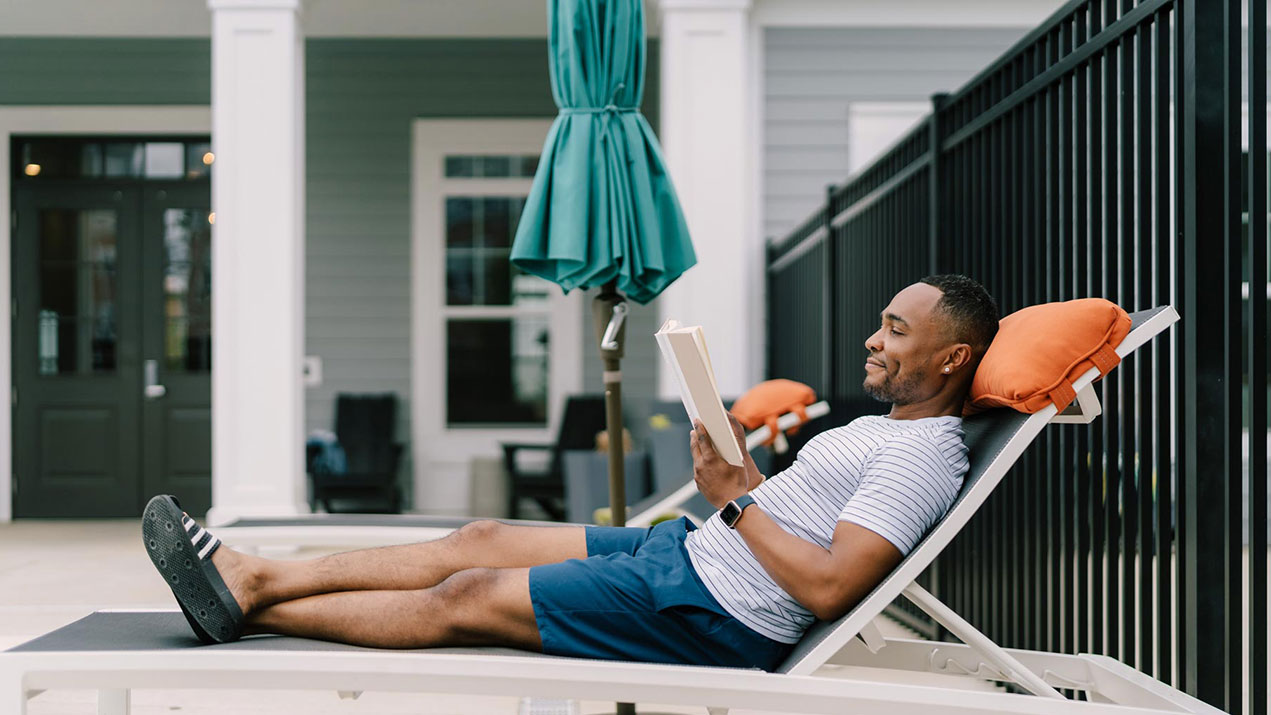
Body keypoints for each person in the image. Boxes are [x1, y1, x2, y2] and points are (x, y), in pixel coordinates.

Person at [142, 274, 999, 671]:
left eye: (894, 330)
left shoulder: (922, 455)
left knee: (469, 593)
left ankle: (255, 600)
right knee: (478, 536)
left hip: (714, 613)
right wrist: (743, 477)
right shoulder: (887, 428)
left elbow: (827, 586)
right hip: (688, 555)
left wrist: (736, 502)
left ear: (951, 355)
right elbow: (804, 522)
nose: (872, 341)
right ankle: (253, 579)